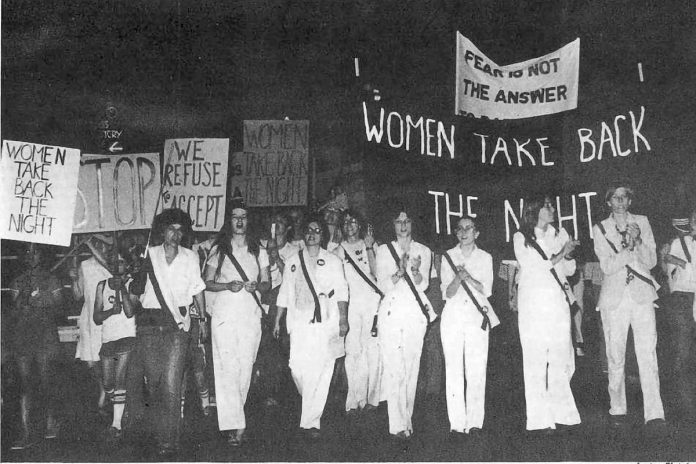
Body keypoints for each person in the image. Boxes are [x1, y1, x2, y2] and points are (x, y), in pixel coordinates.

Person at [128, 208, 208, 457]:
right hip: (150, 326)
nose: (175, 234)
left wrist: (202, 319)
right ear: (162, 230)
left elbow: (198, 289)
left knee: (172, 385)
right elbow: (135, 295)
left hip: (177, 327)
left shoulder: (190, 257)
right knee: (154, 385)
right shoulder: (148, 256)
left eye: (180, 229)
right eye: (171, 228)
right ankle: (162, 431)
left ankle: (168, 441)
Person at [592, 184, 666, 431]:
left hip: (642, 295)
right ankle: (618, 407)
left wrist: (639, 241)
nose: (620, 201)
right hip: (614, 298)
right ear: (608, 201)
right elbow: (608, 266)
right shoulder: (600, 228)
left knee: (647, 353)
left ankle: (654, 412)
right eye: (615, 197)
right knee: (616, 355)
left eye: (624, 197)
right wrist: (628, 247)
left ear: (630, 201)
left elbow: (652, 260)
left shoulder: (642, 222)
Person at [204, 193, 270, 446]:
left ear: (248, 221)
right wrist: (225, 285)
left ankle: (235, 416)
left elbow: (267, 282)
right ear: (228, 221)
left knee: (245, 367)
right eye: (235, 217)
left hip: (249, 317)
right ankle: (237, 425)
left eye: (243, 218)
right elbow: (206, 283)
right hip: (224, 316)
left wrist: (258, 287)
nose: (240, 222)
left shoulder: (258, 250)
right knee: (227, 368)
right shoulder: (218, 250)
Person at [274, 214, 349, 439]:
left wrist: (343, 319)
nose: (312, 234)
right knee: (297, 368)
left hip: (325, 321)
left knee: (322, 369)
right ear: (303, 234)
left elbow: (342, 291)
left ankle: (311, 421)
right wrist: (278, 320)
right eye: (308, 230)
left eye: (317, 230)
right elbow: (284, 292)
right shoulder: (293, 261)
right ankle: (311, 401)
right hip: (299, 321)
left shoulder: (333, 261)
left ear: (322, 235)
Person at [514, 196, 581, 433]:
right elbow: (537, 266)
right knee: (535, 359)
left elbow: (569, 270)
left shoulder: (558, 234)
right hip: (534, 304)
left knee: (561, 357)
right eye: (546, 205)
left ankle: (562, 413)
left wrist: (569, 253)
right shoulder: (521, 237)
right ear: (534, 209)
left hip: (558, 303)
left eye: (552, 205)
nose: (552, 209)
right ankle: (539, 419)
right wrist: (563, 252)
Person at [375, 208, 434, 440]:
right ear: (393, 224)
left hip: (413, 314)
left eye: (407, 221)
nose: (403, 225)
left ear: (412, 224)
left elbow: (424, 285)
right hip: (390, 312)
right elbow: (382, 285)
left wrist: (416, 270)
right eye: (399, 221)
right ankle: (397, 424)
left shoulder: (423, 250)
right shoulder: (382, 250)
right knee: (394, 369)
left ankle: (406, 419)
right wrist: (399, 272)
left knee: (411, 367)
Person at [440, 216, 497, 437]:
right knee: (453, 370)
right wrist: (457, 277)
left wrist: (468, 277)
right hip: (453, 316)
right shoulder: (448, 256)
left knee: (476, 370)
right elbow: (448, 292)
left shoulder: (485, 257)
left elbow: (487, 289)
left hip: (476, 317)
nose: (464, 232)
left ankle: (474, 422)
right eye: (460, 229)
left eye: (469, 228)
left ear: (477, 232)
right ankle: (456, 423)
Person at [8, 244, 64, 449]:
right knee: (25, 386)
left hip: (45, 338)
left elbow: (60, 309)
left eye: (35, 252)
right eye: (28, 252)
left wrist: (42, 298)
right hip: (24, 338)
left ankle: (51, 422)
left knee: (46, 380)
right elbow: (14, 314)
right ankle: (25, 432)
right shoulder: (17, 281)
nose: (31, 256)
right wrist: (25, 293)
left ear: (42, 255)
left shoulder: (52, 279)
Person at [333, 209, 382, 415]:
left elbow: (377, 273)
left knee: (372, 350)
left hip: (371, 302)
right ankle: (353, 401)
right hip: (351, 305)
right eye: (345, 222)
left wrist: (370, 246)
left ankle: (373, 399)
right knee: (353, 352)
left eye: (353, 221)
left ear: (360, 225)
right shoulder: (337, 251)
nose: (349, 225)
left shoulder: (370, 244)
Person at [93, 252, 136, 444]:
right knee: (108, 383)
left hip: (126, 337)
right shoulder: (101, 285)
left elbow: (129, 311)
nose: (118, 265)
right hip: (108, 338)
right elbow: (96, 317)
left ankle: (116, 424)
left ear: (127, 265)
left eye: (122, 262)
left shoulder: (133, 282)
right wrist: (111, 311)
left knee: (119, 380)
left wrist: (123, 289)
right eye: (115, 262)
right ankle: (120, 406)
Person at [70, 234, 113, 415]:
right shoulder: (85, 265)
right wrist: (73, 279)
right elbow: (78, 295)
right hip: (88, 317)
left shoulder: (113, 261)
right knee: (90, 361)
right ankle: (104, 389)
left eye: (102, 244)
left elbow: (108, 267)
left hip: (108, 316)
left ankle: (108, 395)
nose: (100, 246)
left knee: (107, 358)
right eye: (97, 243)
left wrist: (88, 243)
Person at [661, 208, 696, 423]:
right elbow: (670, 278)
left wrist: (683, 264)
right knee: (681, 354)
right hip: (682, 300)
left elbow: (685, 270)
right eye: (694, 219)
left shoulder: (679, 250)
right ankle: (686, 408)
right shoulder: (678, 243)